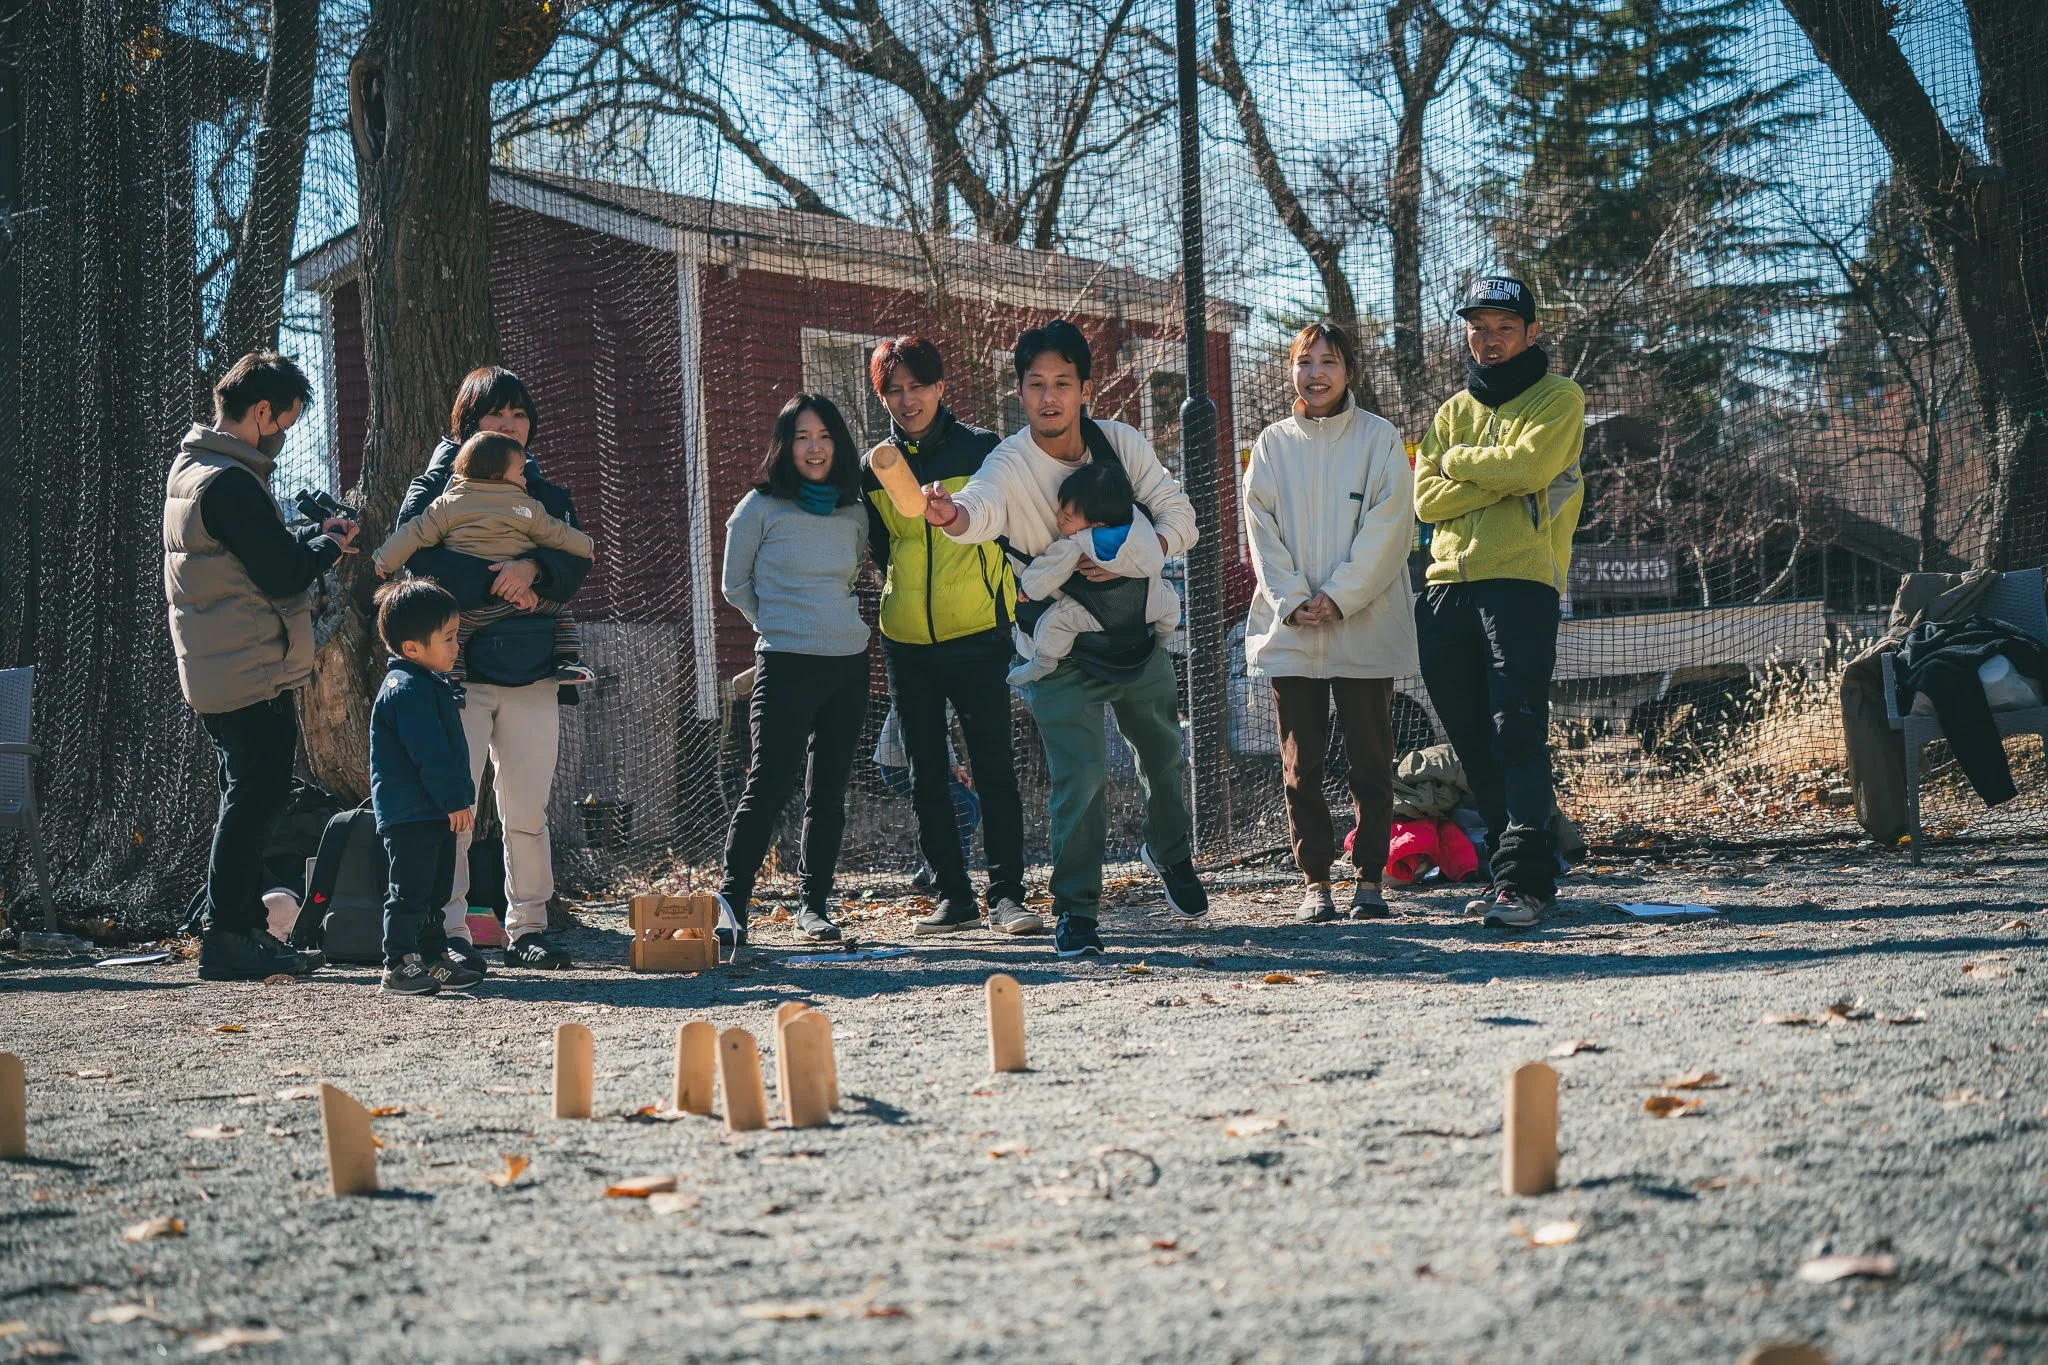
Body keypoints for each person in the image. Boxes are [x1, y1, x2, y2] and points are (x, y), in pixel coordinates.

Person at [922, 320, 1208, 958]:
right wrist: (951, 514)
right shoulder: (1009, 462)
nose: (1049, 397)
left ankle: (1169, 853)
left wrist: (1139, 553)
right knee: (1079, 779)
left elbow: (1181, 516)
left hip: (1134, 628)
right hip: (1057, 644)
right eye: (1035, 385)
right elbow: (980, 510)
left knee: (1165, 757)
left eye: (1062, 383)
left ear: (1085, 389)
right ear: (1019, 391)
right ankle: (1076, 911)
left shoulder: (1123, 444)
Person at [164, 351, 357, 981]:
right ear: (260, 412)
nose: (284, 437)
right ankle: (230, 937)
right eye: (284, 424)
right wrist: (330, 545)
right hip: (246, 666)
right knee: (255, 800)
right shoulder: (231, 482)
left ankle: (240, 927)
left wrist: (308, 542)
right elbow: (278, 572)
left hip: (220, 664)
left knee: (244, 794)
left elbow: (250, 558)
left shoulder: (197, 468)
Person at [397, 367, 592, 973]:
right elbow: (413, 557)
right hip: (456, 678)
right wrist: (499, 582)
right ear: (466, 427)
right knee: (454, 807)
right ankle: (448, 929)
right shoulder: (436, 489)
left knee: (526, 810)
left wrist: (534, 570)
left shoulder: (548, 494)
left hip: (533, 672)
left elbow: (574, 560)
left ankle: (529, 926)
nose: (509, 427)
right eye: (495, 417)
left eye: (519, 416)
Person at [1412, 275, 1585, 929]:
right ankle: (1503, 869)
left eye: (1503, 327)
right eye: (1477, 327)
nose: (1488, 340)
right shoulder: (1453, 410)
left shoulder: (1560, 398)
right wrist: (1486, 469)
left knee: (1518, 731)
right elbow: (1426, 499)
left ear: (1532, 332)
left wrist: (1463, 466)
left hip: (1520, 583)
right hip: (1444, 586)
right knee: (1471, 740)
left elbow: (1531, 469)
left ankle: (1525, 882)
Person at [860, 336, 1037, 936]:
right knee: (925, 769)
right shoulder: (876, 466)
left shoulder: (985, 451)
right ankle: (954, 895)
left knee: (993, 765)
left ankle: (1008, 894)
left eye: (917, 386)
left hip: (979, 634)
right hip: (906, 640)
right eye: (894, 390)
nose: (907, 400)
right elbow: (881, 552)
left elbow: (1008, 530)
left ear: (941, 388)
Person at [1242, 322, 1418, 923]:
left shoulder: (1379, 439)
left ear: (1349, 371)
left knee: (1371, 758)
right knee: (1301, 761)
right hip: (1292, 630)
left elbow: (1391, 527)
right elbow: (1259, 529)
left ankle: (1369, 876)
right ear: (1291, 371)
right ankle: (1315, 880)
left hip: (1363, 626)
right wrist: (1291, 598)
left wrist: (1340, 598)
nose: (1315, 373)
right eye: (1304, 361)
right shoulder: (1270, 445)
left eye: (1329, 361)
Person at [716, 393, 871, 951]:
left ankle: (815, 908)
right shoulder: (757, 507)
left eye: (825, 436)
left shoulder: (854, 510)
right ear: (786, 444)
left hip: (848, 664)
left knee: (828, 792)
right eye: (803, 436)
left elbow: (851, 575)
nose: (814, 447)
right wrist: (781, 625)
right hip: (783, 663)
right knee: (769, 782)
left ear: (838, 443)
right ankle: (732, 904)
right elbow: (735, 585)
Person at [374, 431, 597, 686]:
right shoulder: (525, 508)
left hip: (473, 607)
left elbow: (414, 532)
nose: (525, 480)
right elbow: (557, 534)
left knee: (454, 632)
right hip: (524, 596)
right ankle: (568, 659)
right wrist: (586, 545)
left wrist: (384, 559)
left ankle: (451, 682)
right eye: (520, 473)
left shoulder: (448, 504)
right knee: (560, 611)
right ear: (497, 476)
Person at [367, 579, 486, 996]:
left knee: (435, 892)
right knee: (410, 892)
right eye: (448, 638)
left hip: (431, 811)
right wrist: (456, 799)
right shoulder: (406, 688)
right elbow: (430, 754)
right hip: (411, 813)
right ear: (412, 648)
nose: (456, 647)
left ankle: (434, 959)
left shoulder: (427, 682)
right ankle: (398, 962)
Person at [1007, 461, 1179, 686]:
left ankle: (1044, 662)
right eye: (1060, 510)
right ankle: (1163, 641)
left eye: (1067, 518)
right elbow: (1155, 558)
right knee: (1170, 598)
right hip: (1150, 604)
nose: (1058, 518)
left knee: (1057, 622)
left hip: (1099, 613)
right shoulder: (1142, 527)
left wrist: (1028, 588)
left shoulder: (1079, 542)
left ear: (1096, 525)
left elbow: (1049, 571)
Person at [872, 703, 980, 894]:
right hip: (900, 764)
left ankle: (930, 872)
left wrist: (952, 763)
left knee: (973, 805)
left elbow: (939, 729)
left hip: (932, 758)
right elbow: (916, 730)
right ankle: (953, 877)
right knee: (962, 808)